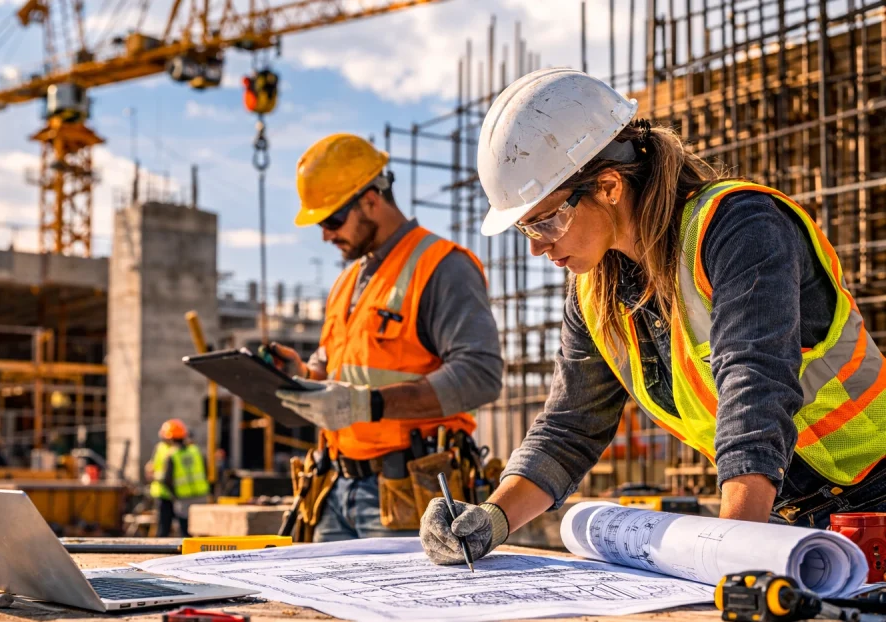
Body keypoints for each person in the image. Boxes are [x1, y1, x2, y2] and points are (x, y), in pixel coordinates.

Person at [421, 68, 886, 566]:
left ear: (609, 186)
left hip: (874, 496)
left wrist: (730, 555)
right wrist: (493, 518)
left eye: (546, 219)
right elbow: (570, 426)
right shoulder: (594, 291)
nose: (537, 246)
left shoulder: (740, 228)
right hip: (785, 518)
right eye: (525, 228)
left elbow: (756, 386)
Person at [273, 133, 503, 542]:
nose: (326, 235)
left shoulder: (441, 267)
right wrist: (302, 374)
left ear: (370, 200)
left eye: (331, 220)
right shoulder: (347, 282)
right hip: (332, 487)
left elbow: (480, 375)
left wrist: (369, 404)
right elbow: (339, 374)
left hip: (408, 492)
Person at [149, 419, 209, 537]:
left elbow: (166, 478)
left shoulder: (172, 454)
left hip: (178, 496)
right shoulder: (195, 450)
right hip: (188, 495)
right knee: (184, 531)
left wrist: (174, 495)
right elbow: (206, 471)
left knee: (179, 530)